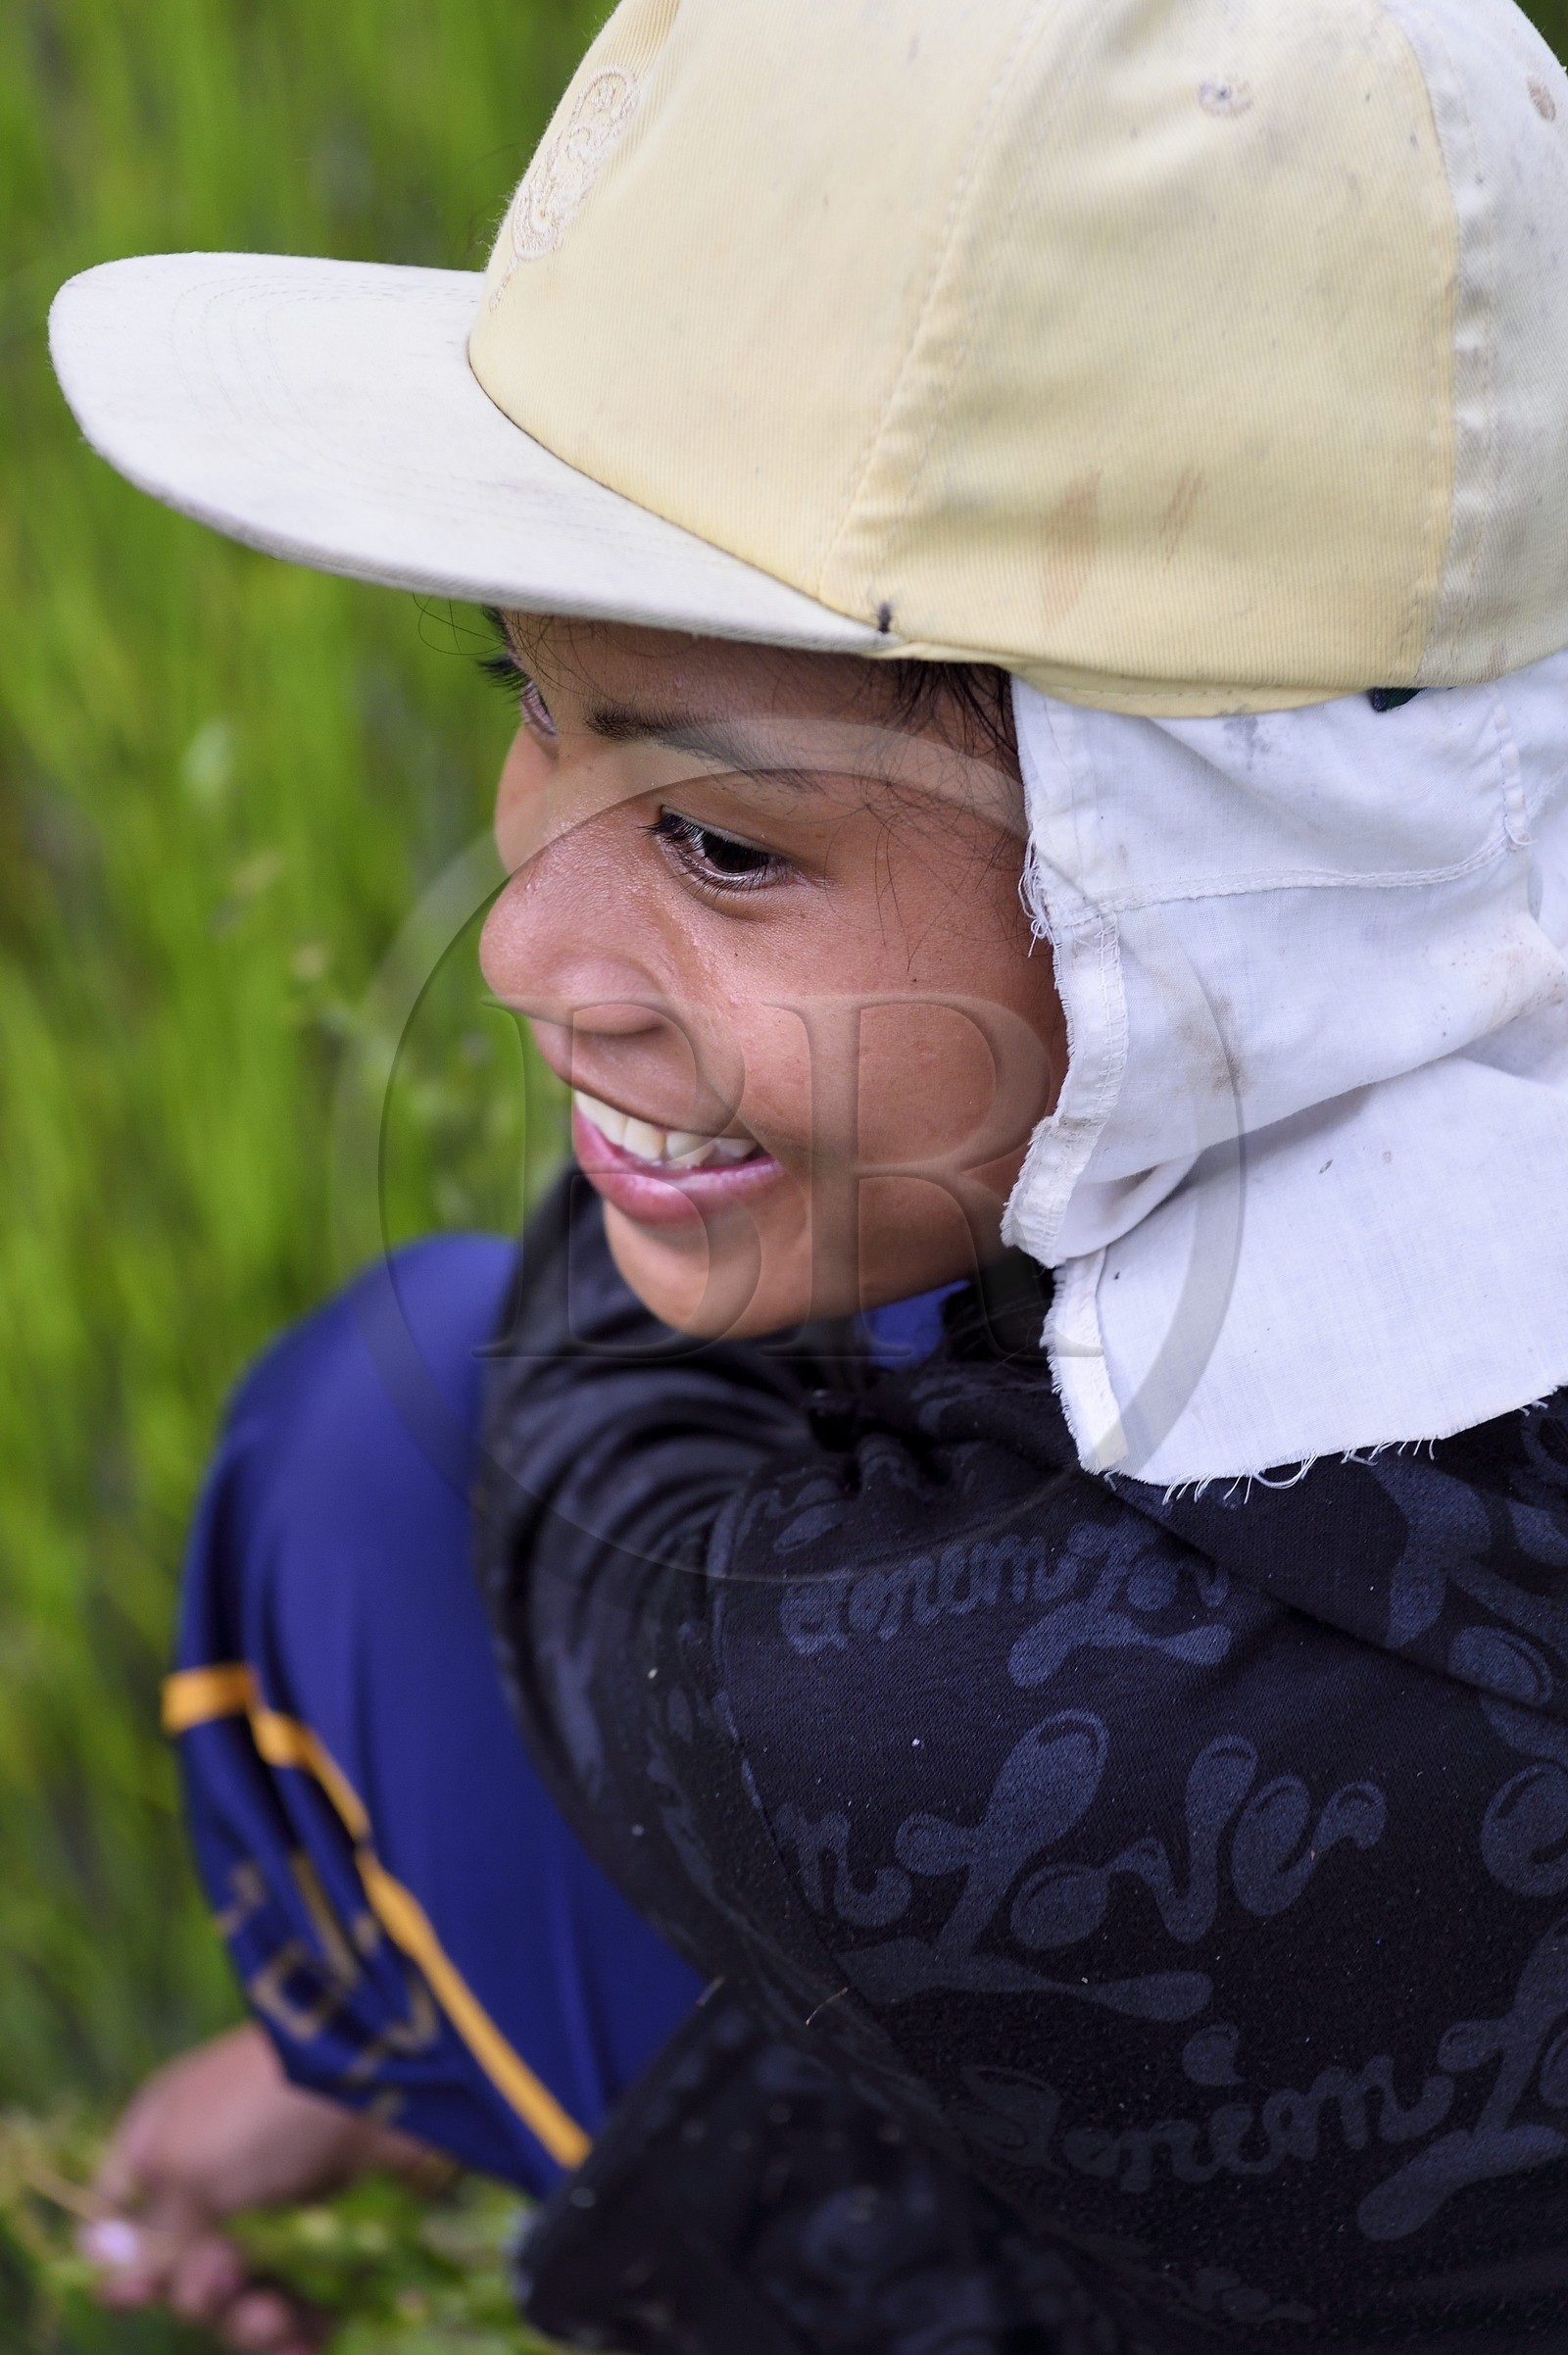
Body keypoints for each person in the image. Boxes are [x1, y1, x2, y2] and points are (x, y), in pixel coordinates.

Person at [47, 0, 1568, 2345]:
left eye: (718, 837)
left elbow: (573, 1441)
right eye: (521, 701)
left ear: (1193, 878)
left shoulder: (935, 1730)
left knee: (387, 1421)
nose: (520, 952)